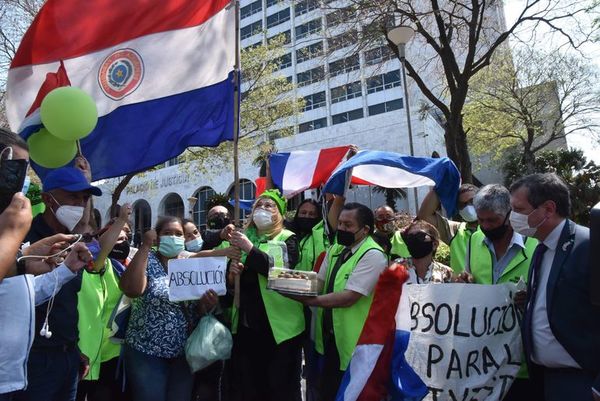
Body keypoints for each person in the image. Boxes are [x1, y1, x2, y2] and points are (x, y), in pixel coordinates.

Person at [509, 173, 600, 401]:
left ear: (548, 209)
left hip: (582, 381)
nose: (512, 217)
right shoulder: (540, 249)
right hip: (544, 379)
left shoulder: (588, 246)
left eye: (519, 210)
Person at [17, 166, 103, 401]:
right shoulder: (23, 238)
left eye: (84, 198)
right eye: (73, 196)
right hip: (32, 359)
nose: (80, 204)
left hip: (68, 356)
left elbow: (68, 302)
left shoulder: (75, 242)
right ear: (47, 199)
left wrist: (74, 349)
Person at [296, 202, 388, 401]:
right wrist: (287, 282)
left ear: (365, 230)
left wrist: (311, 301)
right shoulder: (336, 248)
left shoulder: (373, 255)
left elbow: (349, 297)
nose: (342, 229)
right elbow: (318, 282)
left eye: (348, 225)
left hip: (356, 343)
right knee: (328, 391)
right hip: (330, 340)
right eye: (340, 224)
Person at [119, 216, 218, 401]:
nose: (173, 237)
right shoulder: (147, 259)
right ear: (157, 236)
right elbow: (132, 290)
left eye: (178, 234)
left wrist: (206, 304)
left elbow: (196, 310)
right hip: (146, 351)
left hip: (183, 353)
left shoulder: (191, 264)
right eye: (167, 233)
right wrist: (145, 246)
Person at [456, 184, 538, 400]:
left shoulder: (536, 245)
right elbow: (469, 276)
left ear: (509, 214)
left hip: (522, 362)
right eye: (481, 220)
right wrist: (465, 280)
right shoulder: (474, 240)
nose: (485, 226)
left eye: (491, 220)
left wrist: (531, 299)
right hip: (482, 359)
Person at [227, 189, 304, 401]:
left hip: (280, 329)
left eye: (269, 205)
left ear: (280, 213)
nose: (262, 209)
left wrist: (250, 249)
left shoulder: (288, 238)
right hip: (247, 326)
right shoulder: (241, 240)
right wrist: (233, 275)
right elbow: (231, 283)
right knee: (250, 387)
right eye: (258, 206)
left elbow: (279, 273)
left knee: (281, 389)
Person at [76, 204, 133, 401]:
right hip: (87, 352)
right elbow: (102, 250)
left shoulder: (125, 267)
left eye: (126, 238)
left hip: (114, 351)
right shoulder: (95, 263)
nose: (122, 242)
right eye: (117, 237)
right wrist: (121, 220)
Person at [417, 184, 479, 273]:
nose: (468, 207)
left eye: (472, 201)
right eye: (463, 204)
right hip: (463, 286)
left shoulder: (494, 228)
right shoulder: (455, 230)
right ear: (458, 209)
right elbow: (424, 215)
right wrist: (442, 185)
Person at [400, 220, 453, 284]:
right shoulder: (396, 269)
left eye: (420, 236)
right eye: (410, 237)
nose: (414, 240)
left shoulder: (446, 273)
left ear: (435, 244)